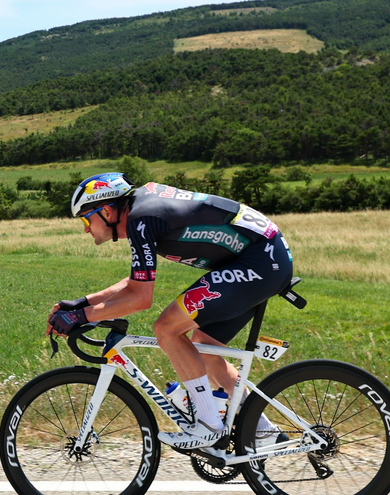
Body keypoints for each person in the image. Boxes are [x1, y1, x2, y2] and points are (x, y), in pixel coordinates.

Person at [47, 173, 293, 450]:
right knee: (204, 347)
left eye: (85, 219)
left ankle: (209, 426)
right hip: (262, 259)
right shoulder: (142, 211)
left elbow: (141, 298)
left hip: (259, 262)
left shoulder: (142, 218)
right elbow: (137, 282)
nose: (85, 229)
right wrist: (82, 304)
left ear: (105, 211)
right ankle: (262, 430)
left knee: (167, 329)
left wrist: (81, 317)